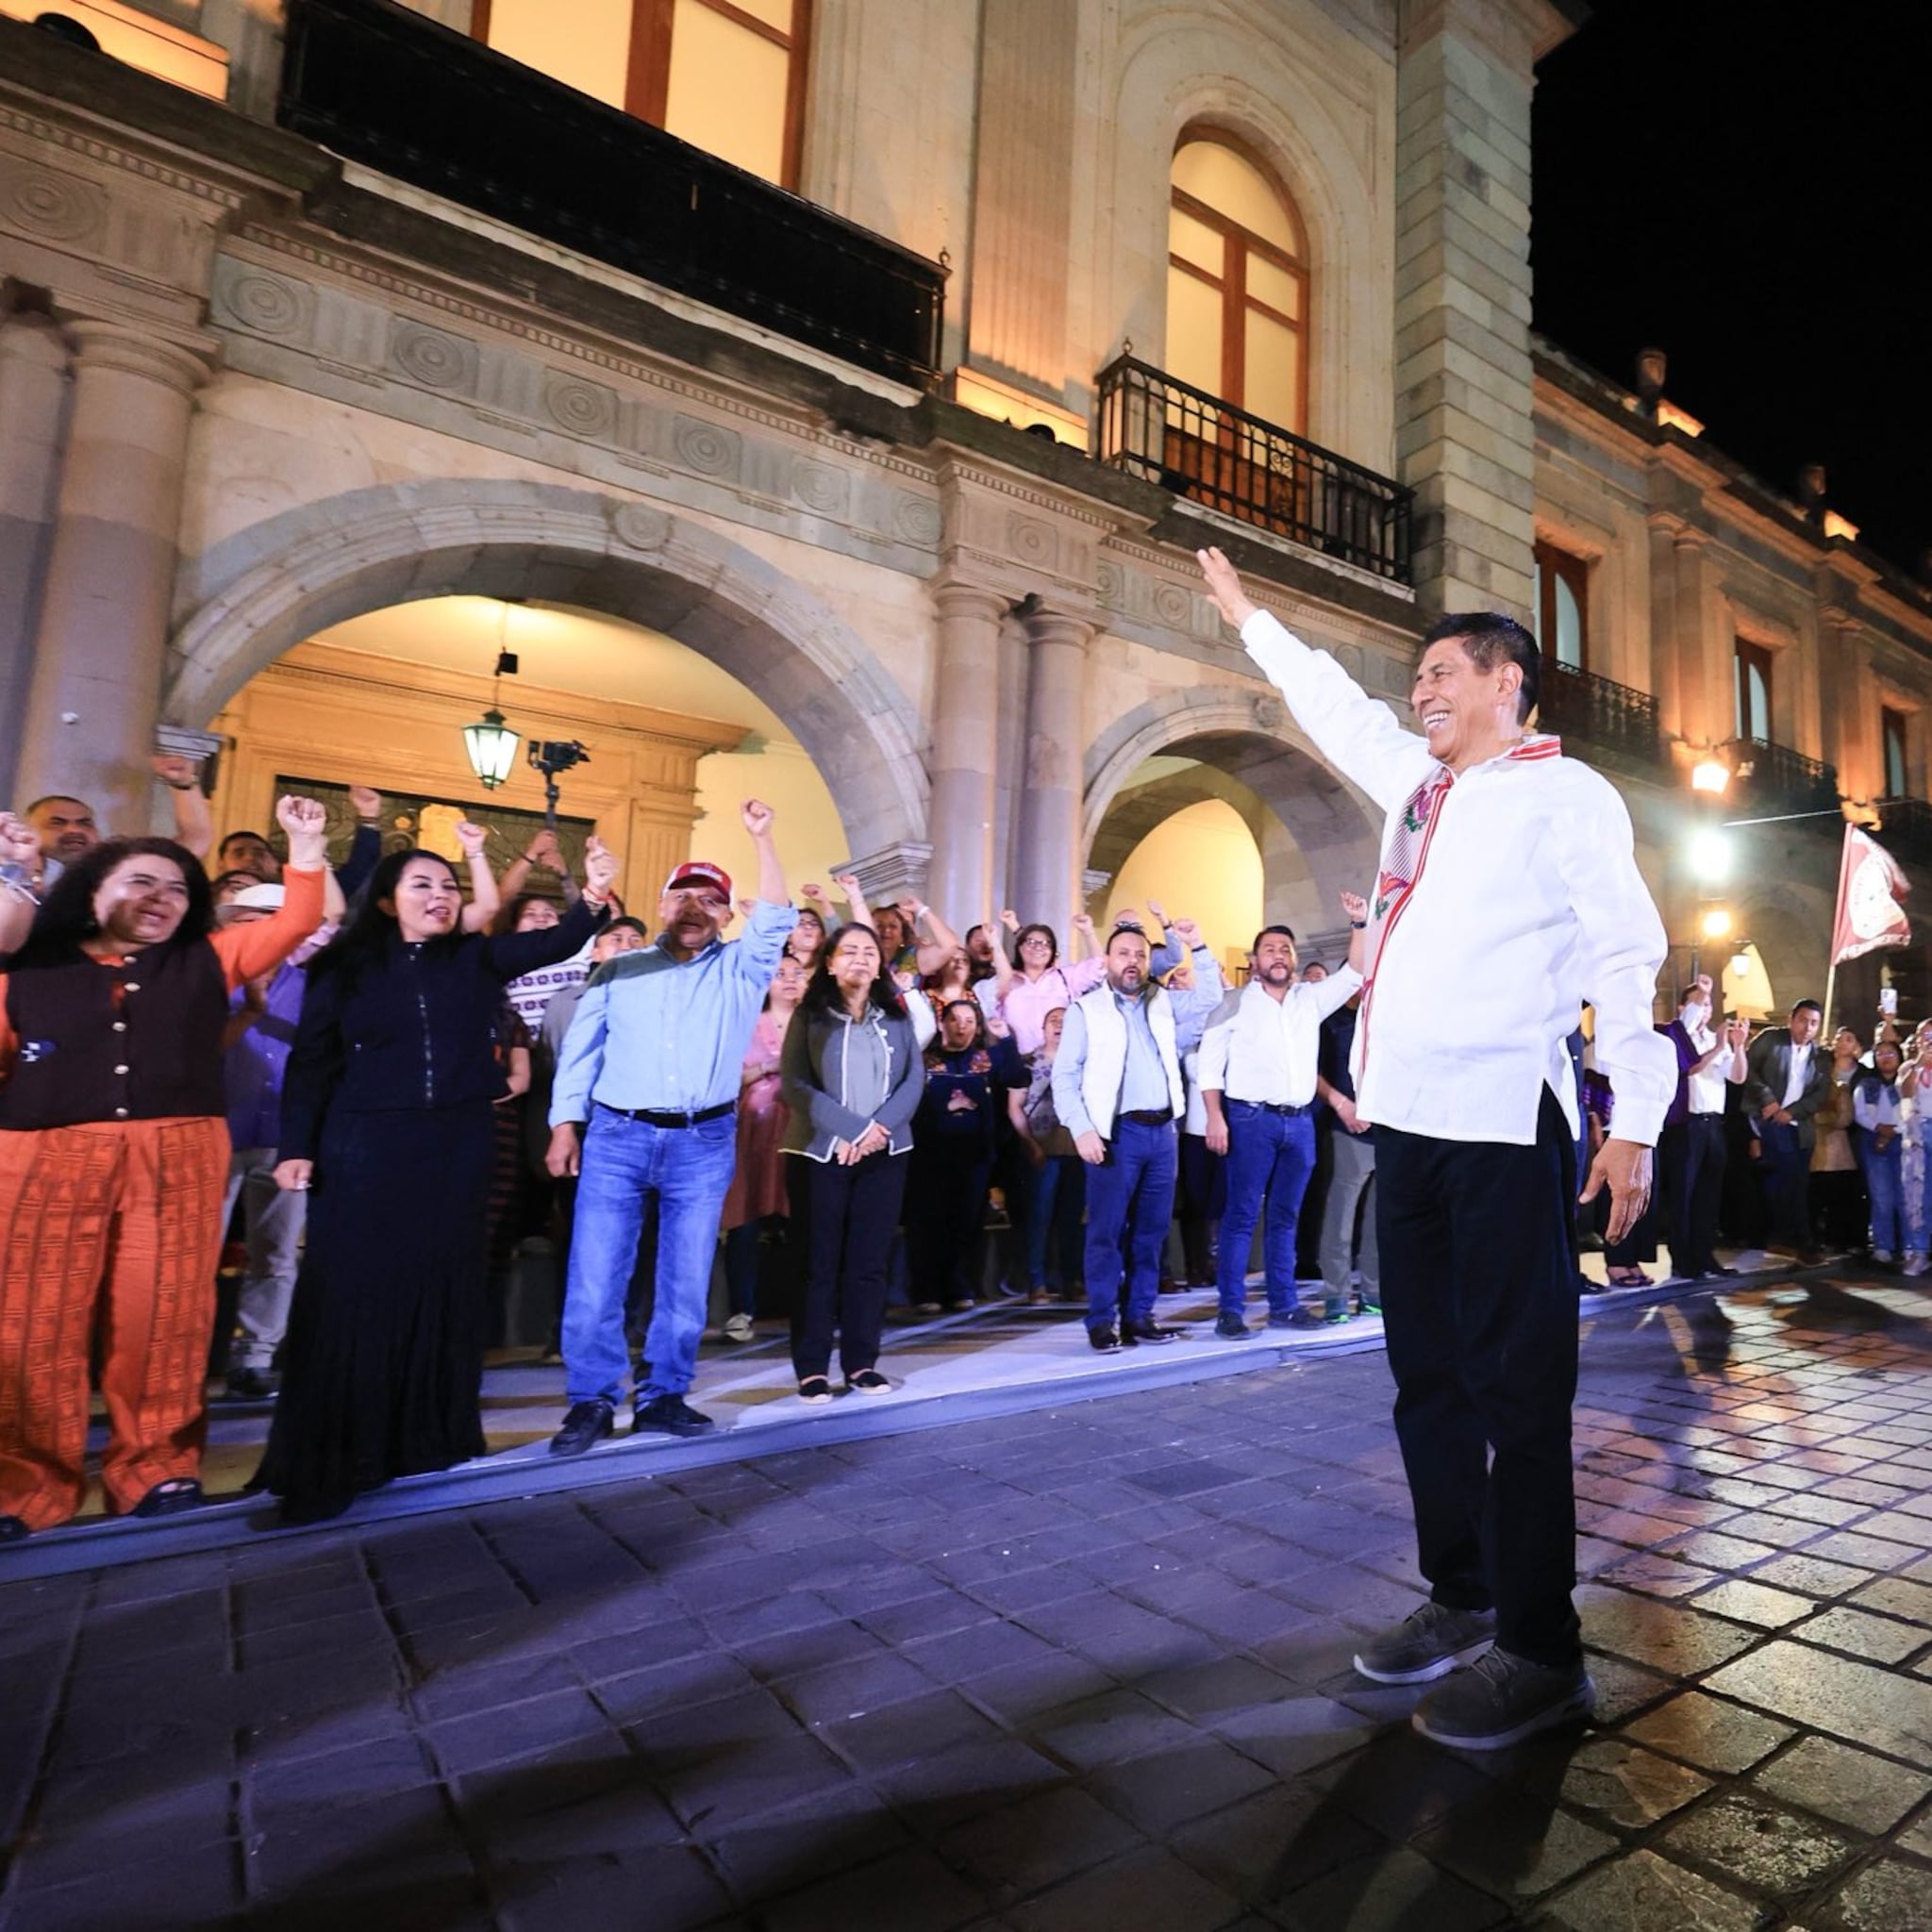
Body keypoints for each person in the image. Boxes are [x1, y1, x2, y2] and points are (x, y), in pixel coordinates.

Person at [1197, 544, 1676, 1751]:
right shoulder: (1418, 788)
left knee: (1519, 1390)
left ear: (1506, 682)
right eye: (1415, 677)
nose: (1417, 692)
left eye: (1440, 673)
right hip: (1405, 1122)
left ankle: (1540, 1645)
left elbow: (1623, 951)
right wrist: (1253, 621)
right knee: (1425, 1379)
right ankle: (1459, 1592)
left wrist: (1634, 1118)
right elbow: (1334, 705)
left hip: (1503, 1126)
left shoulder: (1562, 796)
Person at [255, 837, 615, 1522]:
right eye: (422, 886)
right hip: (363, 1145)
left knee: (439, 1283)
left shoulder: (474, 958)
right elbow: (312, 1063)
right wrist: (297, 1146)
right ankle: (334, 1455)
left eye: (448, 886)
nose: (440, 896)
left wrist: (593, 893)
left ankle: (424, 1437)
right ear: (388, 901)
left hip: (455, 1144)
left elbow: (555, 942)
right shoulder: (344, 966)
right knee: (352, 1291)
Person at [0, 798, 330, 1540]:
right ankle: (23, 1487)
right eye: (142, 883)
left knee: (166, 1317)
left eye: (179, 889)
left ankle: (156, 1470)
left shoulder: (206, 960)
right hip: (43, 1156)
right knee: (31, 1325)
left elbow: (295, 923)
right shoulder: (27, 968)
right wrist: (14, 868)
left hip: (179, 1154)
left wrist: (305, 844)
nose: (161, 899)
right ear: (91, 892)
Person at [546, 804, 794, 1454]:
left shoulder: (743, 971)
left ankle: (663, 1395)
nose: (695, 907)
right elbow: (581, 1056)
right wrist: (564, 1125)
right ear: (661, 904)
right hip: (617, 1136)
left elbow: (776, 916)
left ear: (726, 915)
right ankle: (591, 1401)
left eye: (711, 900)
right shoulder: (618, 969)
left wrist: (762, 838)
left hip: (703, 1141)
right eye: (683, 895)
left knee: (685, 1276)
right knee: (597, 1272)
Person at [1051, 918, 1224, 1352]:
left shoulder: (1162, 1001)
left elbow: (1210, 996)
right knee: (1107, 1232)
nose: (1133, 962)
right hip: (1115, 1134)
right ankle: (1101, 1320)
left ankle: (1139, 1316)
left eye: (1140, 956)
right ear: (1107, 960)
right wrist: (1083, 1129)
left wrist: (1197, 944)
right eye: (1124, 954)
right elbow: (1064, 1076)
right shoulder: (1085, 1010)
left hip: (1162, 1132)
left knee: (1151, 1232)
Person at [1199, 907, 1366, 1335]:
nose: (1278, 954)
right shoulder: (1234, 1003)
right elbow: (1210, 1065)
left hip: (1299, 1123)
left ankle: (1283, 1305)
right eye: (1269, 948)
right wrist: (1215, 1117)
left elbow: (1353, 974)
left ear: (1293, 959)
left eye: (1285, 949)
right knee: (1241, 1216)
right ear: (1254, 961)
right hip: (1251, 1119)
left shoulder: (1307, 1001)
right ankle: (1231, 1311)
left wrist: (1360, 925)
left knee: (1286, 1216)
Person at [780, 923, 924, 1400]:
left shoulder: (897, 1017)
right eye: (850, 951)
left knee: (869, 1262)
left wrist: (876, 1130)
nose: (861, 959)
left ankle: (861, 1363)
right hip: (821, 1152)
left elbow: (913, 1080)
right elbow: (795, 1084)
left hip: (885, 1152)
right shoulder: (810, 1015)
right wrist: (852, 1129)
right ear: (830, 962)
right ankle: (812, 1367)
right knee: (817, 1263)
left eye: (869, 951)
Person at [211, 876, 339, 1402]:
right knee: (195, 1251)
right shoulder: (208, 977)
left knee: (277, 1252)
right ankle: (185, 1351)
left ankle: (256, 1356)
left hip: (282, 1138)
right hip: (211, 1132)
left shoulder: (311, 988)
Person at [908, 999, 1027, 1314]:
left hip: (974, 1157)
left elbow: (1017, 1076)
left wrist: (1006, 1039)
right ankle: (926, 1291)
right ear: (942, 1023)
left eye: (970, 1021)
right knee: (928, 1225)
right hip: (929, 1159)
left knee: (967, 1223)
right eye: (956, 1019)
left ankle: (961, 1286)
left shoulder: (985, 1060)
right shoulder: (924, 1059)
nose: (962, 1026)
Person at [720, 952, 809, 1341]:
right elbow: (725, 1077)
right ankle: (741, 1311)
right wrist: (767, 1069)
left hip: (801, 1132)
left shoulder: (815, 1027)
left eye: (797, 973)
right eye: (780, 973)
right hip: (752, 1134)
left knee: (802, 1220)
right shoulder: (746, 1025)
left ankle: (806, 1310)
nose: (789, 979)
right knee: (746, 1221)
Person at [1657, 978, 1749, 1283]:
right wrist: (1720, 1046)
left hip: (1714, 1124)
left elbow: (1736, 1077)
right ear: (1684, 1007)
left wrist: (1737, 1046)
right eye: (1700, 1002)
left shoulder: (1713, 1037)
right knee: (1684, 1193)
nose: (1706, 1008)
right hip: (1687, 1125)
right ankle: (1682, 1259)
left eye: (1709, 1004)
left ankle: (1705, 1252)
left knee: (1709, 1194)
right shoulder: (1677, 1035)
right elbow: (1691, 1067)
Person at [1743, 999, 1830, 1264]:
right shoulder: (1771, 1040)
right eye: (1803, 1020)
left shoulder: (1821, 1057)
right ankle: (1803, 1242)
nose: (1807, 1028)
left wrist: (1793, 1112)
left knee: (1796, 1183)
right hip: (1767, 1120)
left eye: (1813, 1023)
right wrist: (1768, 1098)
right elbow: (1748, 1070)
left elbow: (1820, 1094)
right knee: (1788, 1180)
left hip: (1798, 1126)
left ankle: (1784, 1237)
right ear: (1792, 1019)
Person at [1316, 973, 1379, 1321]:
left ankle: (1373, 1293)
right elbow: (1313, 1073)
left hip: (1386, 1131)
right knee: (1341, 1218)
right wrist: (1342, 1105)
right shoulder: (1330, 1023)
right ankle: (1335, 1295)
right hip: (1348, 1128)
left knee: (1378, 1221)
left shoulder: (1384, 1019)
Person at [1809, 1025, 1866, 1257]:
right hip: (1822, 1139)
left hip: (1854, 1137)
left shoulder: (1864, 1075)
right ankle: (1825, 1237)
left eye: (1849, 1039)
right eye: (1839, 1038)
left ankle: (1852, 1238)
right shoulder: (1821, 1072)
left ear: (1856, 1047)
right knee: (1822, 1190)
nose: (1842, 1042)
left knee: (1851, 1191)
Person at [1852, 1039, 1907, 1262]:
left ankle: (1909, 1244)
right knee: (1881, 1194)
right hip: (1873, 1139)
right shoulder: (1866, 1083)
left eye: (1890, 1053)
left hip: (1903, 1139)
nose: (1885, 1058)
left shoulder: (1906, 1081)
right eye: (1880, 1054)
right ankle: (1883, 1244)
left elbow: (1914, 1110)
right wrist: (1879, 1129)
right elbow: (1860, 1113)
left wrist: (1895, 1131)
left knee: (1905, 1195)